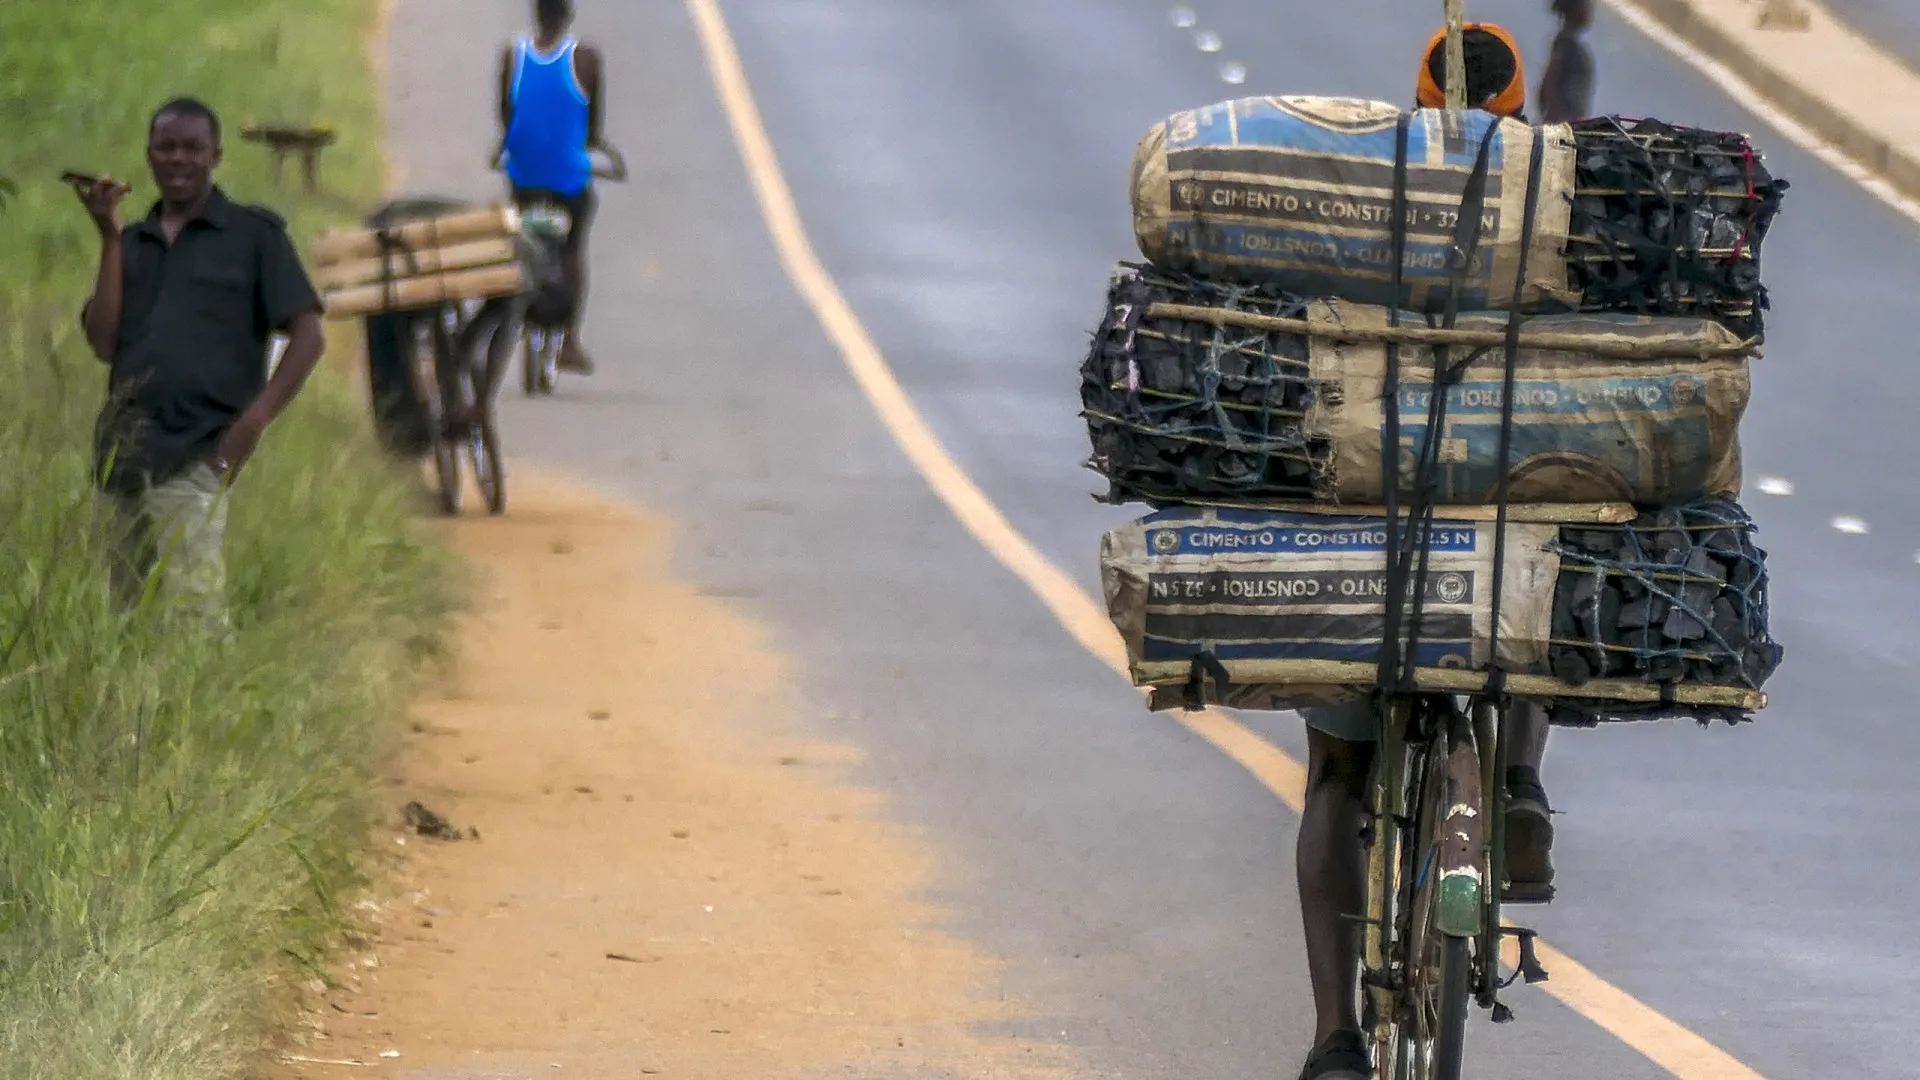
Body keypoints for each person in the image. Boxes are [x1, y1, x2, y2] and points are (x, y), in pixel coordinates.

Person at [1293, 25, 1557, 1080]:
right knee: (1536, 578)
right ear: (1518, 115)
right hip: (1498, 528)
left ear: (1416, 109)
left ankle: (1335, 1039)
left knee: (1336, 779)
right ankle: (1520, 781)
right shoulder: (1551, 210)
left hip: (1380, 535)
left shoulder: (1368, 203)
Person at [74, 97, 325, 628]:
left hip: (198, 453)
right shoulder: (133, 243)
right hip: (122, 456)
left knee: (193, 619)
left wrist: (250, 425)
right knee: (122, 619)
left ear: (216, 157)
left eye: (192, 148)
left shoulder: (253, 237)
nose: (178, 159)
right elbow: (103, 341)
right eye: (166, 147)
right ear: (149, 156)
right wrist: (109, 237)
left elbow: (309, 336)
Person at [497, 0, 605, 375]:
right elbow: (593, 126)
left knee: (517, 238)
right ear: (568, 16)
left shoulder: (512, 56)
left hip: (523, 176)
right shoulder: (586, 59)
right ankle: (569, 340)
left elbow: (506, 116)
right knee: (574, 247)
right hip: (567, 180)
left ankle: (511, 319)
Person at [1538, 0, 1596, 124]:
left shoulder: (1569, 40)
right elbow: (1550, 81)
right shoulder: (1566, 42)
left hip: (1570, 121)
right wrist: (1557, 116)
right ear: (1574, 10)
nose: (1588, 12)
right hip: (1563, 122)